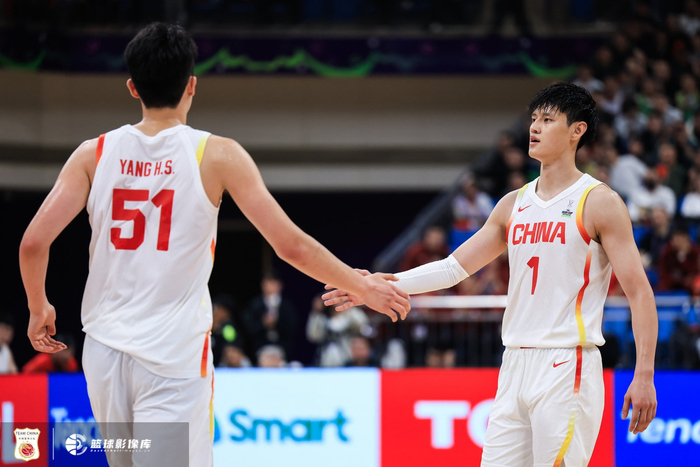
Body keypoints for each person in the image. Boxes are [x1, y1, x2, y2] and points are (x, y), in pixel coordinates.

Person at [18, 23, 409, 467]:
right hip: (173, 357)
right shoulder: (217, 154)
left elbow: (33, 243)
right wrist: (363, 287)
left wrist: (38, 306)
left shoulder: (94, 153)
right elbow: (290, 246)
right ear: (192, 85)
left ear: (132, 87)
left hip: (104, 351)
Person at [324, 82, 657, 466]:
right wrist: (374, 284)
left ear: (576, 131)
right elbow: (452, 268)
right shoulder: (513, 204)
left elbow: (639, 293)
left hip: (567, 364)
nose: (534, 127)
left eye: (548, 120)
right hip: (514, 362)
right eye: (533, 119)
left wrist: (644, 374)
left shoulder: (599, 201)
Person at [242, 273, 297, 360]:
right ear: (262, 285)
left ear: (280, 285)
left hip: (283, 348)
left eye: (274, 283)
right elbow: (249, 328)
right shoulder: (255, 305)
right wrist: (263, 323)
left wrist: (277, 322)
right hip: (260, 348)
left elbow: (292, 328)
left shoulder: (287, 306)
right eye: (268, 283)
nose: (271, 287)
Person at [306, 294, 369, 367]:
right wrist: (316, 312)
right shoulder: (323, 319)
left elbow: (363, 324)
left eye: (337, 298)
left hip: (348, 357)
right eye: (332, 299)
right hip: (325, 359)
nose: (335, 301)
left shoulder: (349, 315)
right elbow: (313, 336)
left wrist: (346, 307)